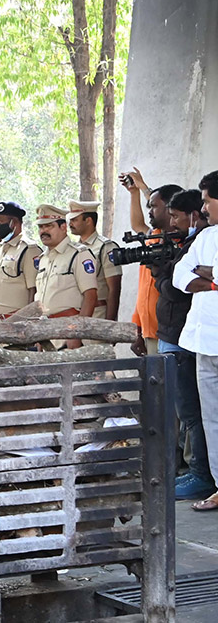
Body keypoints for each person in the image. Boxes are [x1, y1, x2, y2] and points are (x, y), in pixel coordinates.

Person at [153, 189, 212, 500]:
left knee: (193, 413)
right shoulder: (191, 245)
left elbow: (177, 290)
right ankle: (198, 471)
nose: (172, 221)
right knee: (186, 413)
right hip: (174, 336)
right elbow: (179, 278)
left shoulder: (200, 242)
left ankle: (203, 475)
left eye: (176, 215)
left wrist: (163, 277)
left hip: (183, 338)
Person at [172, 171, 218, 512]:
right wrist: (210, 279)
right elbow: (179, 274)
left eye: (207, 200)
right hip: (204, 339)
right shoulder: (206, 237)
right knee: (212, 418)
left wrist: (207, 273)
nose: (202, 208)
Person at [33, 204, 98, 349]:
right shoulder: (43, 259)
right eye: (41, 227)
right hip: (46, 335)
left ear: (63, 227)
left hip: (67, 334)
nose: (43, 231)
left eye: (49, 226)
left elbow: (90, 296)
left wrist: (77, 334)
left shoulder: (79, 254)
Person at [121, 168, 171, 355]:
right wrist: (134, 193)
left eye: (154, 207)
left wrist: (143, 187)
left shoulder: (175, 240)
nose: (150, 211)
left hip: (167, 331)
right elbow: (137, 226)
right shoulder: (153, 238)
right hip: (148, 329)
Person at [66, 201, 121, 320]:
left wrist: (109, 325)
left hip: (98, 314)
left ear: (88, 220)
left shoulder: (106, 247)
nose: (70, 224)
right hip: (76, 315)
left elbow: (114, 289)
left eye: (75, 220)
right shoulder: (73, 249)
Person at [0, 201, 42, 320]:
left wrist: (28, 321)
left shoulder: (28, 250)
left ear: (14, 223)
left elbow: (34, 290)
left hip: (16, 321)